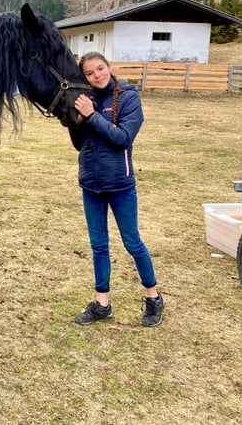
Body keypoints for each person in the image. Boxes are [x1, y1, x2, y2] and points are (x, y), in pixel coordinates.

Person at [68, 51, 164, 327]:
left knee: (132, 242)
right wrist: (75, 119)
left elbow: (122, 138)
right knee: (99, 246)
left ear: (109, 67)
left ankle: (153, 297)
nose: (96, 75)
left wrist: (92, 115)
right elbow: (78, 142)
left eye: (100, 69)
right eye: (89, 73)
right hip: (91, 185)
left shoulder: (128, 97)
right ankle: (102, 303)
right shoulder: (86, 99)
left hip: (120, 184)